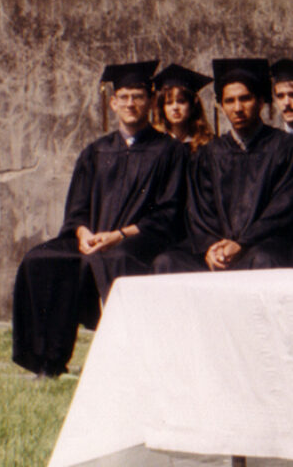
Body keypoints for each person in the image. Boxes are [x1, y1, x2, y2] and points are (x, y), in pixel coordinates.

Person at [11, 60, 188, 378]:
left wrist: (119, 235)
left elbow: (170, 212)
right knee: (40, 260)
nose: (131, 104)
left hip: (138, 242)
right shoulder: (95, 151)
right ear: (113, 103)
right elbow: (76, 208)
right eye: (124, 97)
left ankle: (128, 363)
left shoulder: (170, 152)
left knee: (116, 259)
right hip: (93, 242)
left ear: (149, 102)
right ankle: (47, 363)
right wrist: (83, 233)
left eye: (138, 96)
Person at [152, 58, 293, 273]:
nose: (237, 108)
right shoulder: (209, 153)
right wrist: (212, 247)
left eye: (245, 99)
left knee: (263, 259)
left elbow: (284, 209)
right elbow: (200, 211)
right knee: (167, 262)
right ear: (221, 105)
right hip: (221, 248)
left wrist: (243, 243)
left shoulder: (287, 148)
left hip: (266, 244)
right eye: (229, 101)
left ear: (260, 101)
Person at [151, 63, 215, 153]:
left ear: (192, 106)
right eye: (169, 103)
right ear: (162, 108)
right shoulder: (154, 144)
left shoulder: (206, 144)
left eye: (181, 101)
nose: (175, 107)